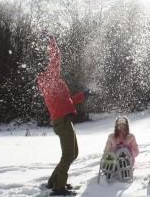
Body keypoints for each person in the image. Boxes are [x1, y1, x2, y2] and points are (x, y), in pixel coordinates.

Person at [37, 37, 92, 196]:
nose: (56, 71)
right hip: (62, 121)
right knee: (68, 155)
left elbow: (69, 101)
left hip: (65, 120)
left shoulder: (56, 84)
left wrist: (83, 95)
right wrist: (53, 45)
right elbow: (55, 61)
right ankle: (58, 187)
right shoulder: (50, 82)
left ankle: (54, 181)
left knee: (73, 154)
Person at [101, 116, 139, 182]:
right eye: (119, 125)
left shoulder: (131, 137)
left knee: (123, 150)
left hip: (127, 161)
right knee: (113, 153)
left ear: (127, 127)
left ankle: (125, 171)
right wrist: (108, 155)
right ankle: (109, 169)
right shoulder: (111, 137)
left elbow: (136, 152)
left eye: (123, 125)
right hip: (114, 160)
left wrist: (128, 150)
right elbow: (106, 151)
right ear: (116, 127)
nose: (121, 128)